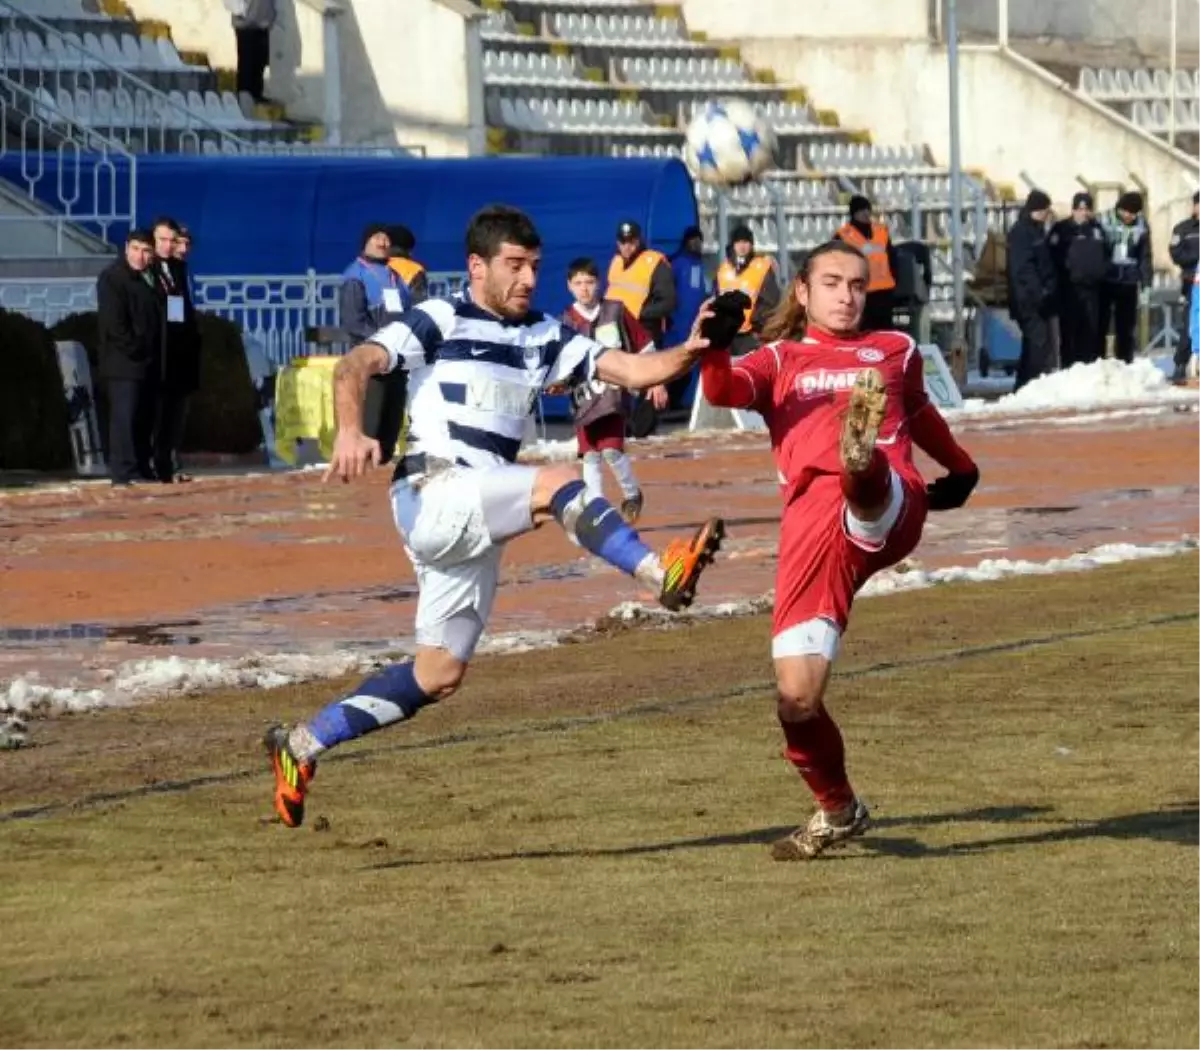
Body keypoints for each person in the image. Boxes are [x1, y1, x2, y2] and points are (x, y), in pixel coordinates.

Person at [263, 205, 727, 828]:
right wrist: (350, 430)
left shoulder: (542, 334)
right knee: (557, 482)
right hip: (434, 492)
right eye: (515, 266)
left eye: (535, 266)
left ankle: (301, 746)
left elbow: (636, 371)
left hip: (479, 514)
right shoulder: (439, 316)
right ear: (478, 266)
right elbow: (355, 365)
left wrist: (691, 349)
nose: (529, 279)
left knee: (439, 673)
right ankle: (656, 573)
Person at [697, 239, 979, 860]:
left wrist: (959, 467)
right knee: (797, 700)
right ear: (802, 292)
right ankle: (838, 809)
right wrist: (715, 344)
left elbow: (921, 408)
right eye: (832, 283)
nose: (847, 295)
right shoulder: (778, 359)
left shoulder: (894, 350)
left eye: (856, 284)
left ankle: (861, 461)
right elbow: (720, 393)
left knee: (866, 481)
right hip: (810, 532)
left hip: (890, 500)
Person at [560, 257, 668, 522]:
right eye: (578, 283)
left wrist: (656, 380)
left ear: (599, 284)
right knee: (590, 456)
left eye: (589, 282)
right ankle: (600, 512)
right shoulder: (565, 321)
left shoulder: (616, 311)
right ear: (569, 286)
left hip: (613, 394)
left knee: (610, 449)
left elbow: (645, 346)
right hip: (583, 397)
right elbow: (556, 362)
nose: (584, 288)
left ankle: (631, 494)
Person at [96, 229, 165, 488]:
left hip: (147, 363)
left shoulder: (153, 278)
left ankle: (142, 467)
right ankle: (124, 472)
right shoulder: (112, 278)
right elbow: (114, 324)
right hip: (123, 362)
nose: (140, 255)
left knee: (144, 417)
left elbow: (163, 315)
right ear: (126, 248)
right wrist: (136, 348)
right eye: (136, 249)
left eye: (146, 250)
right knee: (124, 417)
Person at [150, 215, 200, 483]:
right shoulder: (155, 269)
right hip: (162, 354)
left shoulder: (179, 271)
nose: (178, 248)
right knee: (159, 414)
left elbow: (180, 311)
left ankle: (169, 462)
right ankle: (159, 462)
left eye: (182, 243)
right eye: (171, 241)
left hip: (181, 353)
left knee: (175, 414)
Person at [1007, 189, 1058, 389]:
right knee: (1038, 343)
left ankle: (1024, 386)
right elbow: (1023, 270)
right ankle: (1029, 385)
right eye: (1045, 210)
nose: (1047, 214)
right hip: (1027, 300)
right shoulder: (1022, 232)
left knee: (1033, 344)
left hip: (1036, 298)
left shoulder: (1035, 230)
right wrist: (1040, 293)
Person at [1049, 192, 1107, 368]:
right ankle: (1068, 367)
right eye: (1080, 209)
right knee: (1069, 331)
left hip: (1092, 289)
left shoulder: (1097, 230)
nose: (1083, 213)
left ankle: (1087, 366)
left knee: (1090, 330)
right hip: (1069, 289)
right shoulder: (1061, 228)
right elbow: (1051, 255)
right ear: (1073, 210)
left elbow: (1107, 254)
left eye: (1087, 209)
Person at [1099, 191, 1152, 364]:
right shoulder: (1104, 221)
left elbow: (1145, 257)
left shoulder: (1142, 226)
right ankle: (1098, 360)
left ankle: (1124, 361)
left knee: (1126, 326)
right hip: (1106, 280)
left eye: (1133, 213)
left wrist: (1146, 284)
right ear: (1119, 209)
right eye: (1126, 212)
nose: (1129, 216)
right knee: (1102, 323)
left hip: (1128, 280)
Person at [605, 220, 676, 346]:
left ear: (639, 240)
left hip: (644, 333)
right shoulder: (616, 262)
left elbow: (669, 302)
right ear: (617, 243)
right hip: (616, 331)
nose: (627, 246)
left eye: (632, 242)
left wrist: (640, 313)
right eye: (623, 242)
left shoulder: (654, 263)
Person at [716, 224, 781, 356]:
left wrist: (757, 327)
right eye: (738, 242)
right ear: (733, 245)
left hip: (750, 335)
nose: (742, 246)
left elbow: (770, 300)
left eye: (746, 242)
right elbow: (715, 299)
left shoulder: (762, 267)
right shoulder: (723, 270)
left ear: (751, 245)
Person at [835, 195, 898, 331]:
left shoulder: (881, 231)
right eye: (861, 210)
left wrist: (895, 280)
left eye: (867, 210)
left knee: (885, 332)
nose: (866, 213)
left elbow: (892, 257)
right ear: (854, 213)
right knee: (863, 331)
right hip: (860, 290)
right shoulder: (843, 235)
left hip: (884, 291)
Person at [1168, 190, 1200, 382]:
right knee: (1191, 324)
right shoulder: (1183, 229)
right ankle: (1181, 363)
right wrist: (1196, 261)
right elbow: (1175, 252)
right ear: (1195, 207)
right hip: (1191, 283)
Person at [226, 0, 275, 104]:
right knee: (246, 61)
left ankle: (256, 94)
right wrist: (241, 11)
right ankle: (244, 96)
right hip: (245, 23)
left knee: (260, 60)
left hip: (263, 22)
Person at [386, 224, 429, 306]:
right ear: (408, 249)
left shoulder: (372, 267)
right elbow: (419, 305)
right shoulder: (415, 270)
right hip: (404, 317)